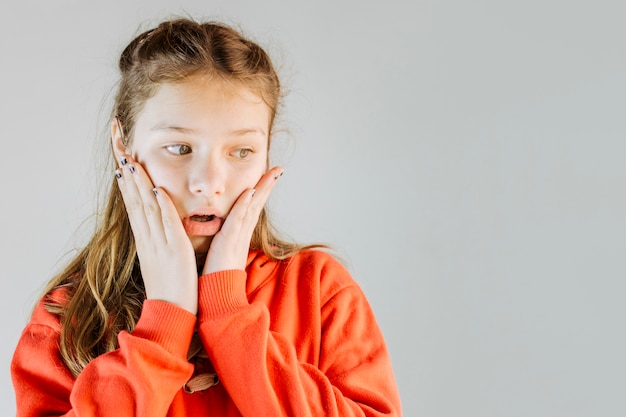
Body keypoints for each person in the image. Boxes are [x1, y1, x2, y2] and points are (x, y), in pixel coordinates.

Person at [11, 17, 402, 416]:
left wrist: (230, 314)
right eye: (180, 148)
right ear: (122, 144)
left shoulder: (320, 291)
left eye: (241, 151)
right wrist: (164, 324)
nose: (210, 183)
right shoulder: (69, 316)